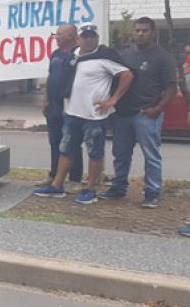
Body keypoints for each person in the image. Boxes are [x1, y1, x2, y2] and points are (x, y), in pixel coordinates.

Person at [34, 23, 134, 204]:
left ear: (97, 38)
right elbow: (66, 82)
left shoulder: (106, 56)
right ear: (78, 38)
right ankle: (57, 185)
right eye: (85, 36)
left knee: (94, 152)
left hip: (94, 116)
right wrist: (64, 105)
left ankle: (90, 189)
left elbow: (127, 75)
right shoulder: (73, 57)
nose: (88, 39)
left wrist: (113, 100)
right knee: (66, 150)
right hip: (72, 114)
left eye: (92, 36)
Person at [100, 17, 178, 208]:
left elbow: (171, 88)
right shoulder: (124, 55)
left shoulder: (163, 57)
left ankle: (152, 192)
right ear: (132, 33)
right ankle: (118, 188)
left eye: (145, 30)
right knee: (120, 153)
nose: (140, 34)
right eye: (137, 30)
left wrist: (158, 109)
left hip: (147, 114)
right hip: (122, 114)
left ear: (153, 33)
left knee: (151, 155)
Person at [38, 24, 84, 189]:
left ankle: (74, 179)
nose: (56, 38)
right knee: (54, 141)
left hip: (69, 107)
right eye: (55, 35)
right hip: (53, 106)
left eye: (59, 35)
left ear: (71, 36)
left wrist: (70, 104)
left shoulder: (79, 55)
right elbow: (51, 77)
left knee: (72, 142)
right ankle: (54, 175)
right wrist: (45, 99)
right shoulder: (55, 54)